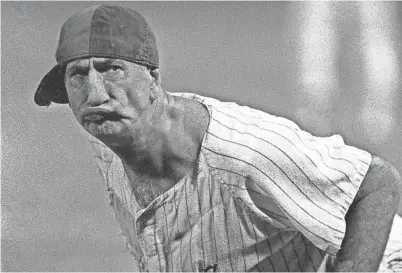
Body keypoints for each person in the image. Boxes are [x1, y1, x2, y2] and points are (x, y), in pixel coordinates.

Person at [34, 5, 402, 272]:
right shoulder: (108, 141)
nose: (95, 94)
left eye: (112, 70)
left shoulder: (242, 151)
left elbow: (377, 185)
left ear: (153, 79)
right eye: (78, 76)